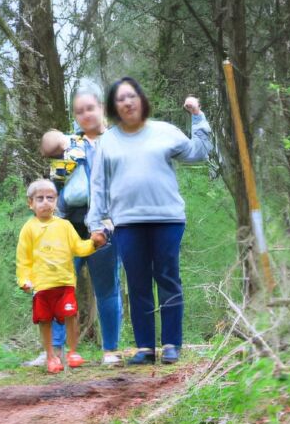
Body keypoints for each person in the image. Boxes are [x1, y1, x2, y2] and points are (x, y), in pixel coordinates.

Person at [86, 76, 213, 366]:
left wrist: (197, 116)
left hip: (167, 219)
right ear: (113, 107)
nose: (127, 102)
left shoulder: (164, 132)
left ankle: (171, 343)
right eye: (120, 99)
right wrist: (96, 224)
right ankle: (145, 347)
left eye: (132, 96)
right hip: (127, 223)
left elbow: (199, 153)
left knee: (167, 278)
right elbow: (98, 185)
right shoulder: (107, 142)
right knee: (137, 282)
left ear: (141, 100)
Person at [47, 89, 127, 366]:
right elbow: (56, 183)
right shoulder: (68, 144)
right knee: (59, 284)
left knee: (106, 288)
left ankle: (110, 350)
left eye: (89, 108)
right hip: (69, 224)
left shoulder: (119, 140)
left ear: (102, 108)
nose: (85, 115)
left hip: (105, 224)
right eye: (79, 111)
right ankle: (54, 351)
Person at [16, 176, 96, 375]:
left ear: (57, 200)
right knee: (45, 320)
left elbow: (79, 247)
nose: (45, 202)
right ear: (30, 203)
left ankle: (73, 352)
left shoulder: (65, 226)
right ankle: (51, 356)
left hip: (65, 283)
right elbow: (23, 259)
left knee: (70, 314)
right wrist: (24, 280)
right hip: (42, 286)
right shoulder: (28, 229)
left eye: (50, 198)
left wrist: (94, 243)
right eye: (40, 198)